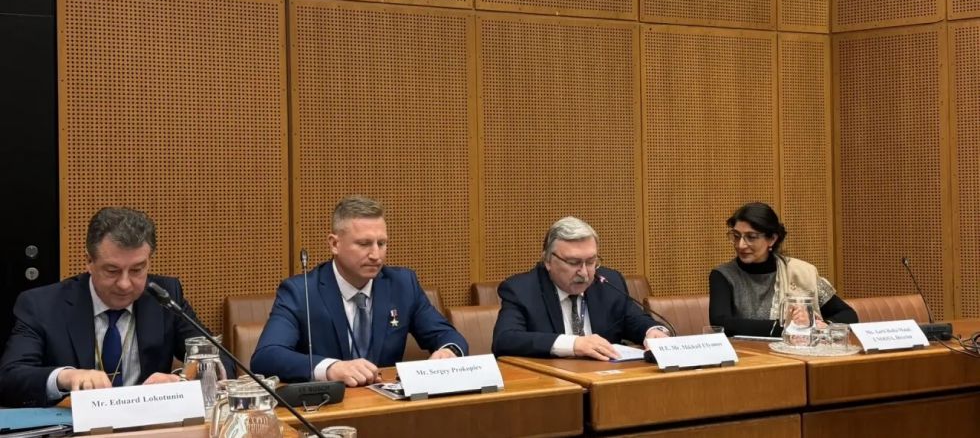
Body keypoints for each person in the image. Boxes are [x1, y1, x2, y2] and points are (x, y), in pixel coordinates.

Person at [0, 207, 233, 408]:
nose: (124, 284)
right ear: (89, 261)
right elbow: (9, 378)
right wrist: (66, 376)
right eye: (112, 271)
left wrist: (181, 381)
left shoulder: (164, 296)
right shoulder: (42, 305)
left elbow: (222, 361)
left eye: (137, 270)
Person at [251, 196, 467, 387]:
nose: (376, 255)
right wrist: (331, 368)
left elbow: (447, 335)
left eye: (382, 243)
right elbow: (266, 356)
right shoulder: (301, 292)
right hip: (330, 407)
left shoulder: (402, 284)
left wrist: (448, 352)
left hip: (387, 406)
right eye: (364, 244)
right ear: (334, 244)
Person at [492, 216, 669, 360]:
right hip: (554, 384)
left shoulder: (608, 283)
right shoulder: (521, 290)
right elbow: (505, 340)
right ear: (548, 260)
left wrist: (653, 332)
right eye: (573, 262)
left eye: (591, 262)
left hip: (604, 382)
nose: (584, 273)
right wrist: (573, 344)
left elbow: (637, 321)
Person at [709, 202, 858, 337]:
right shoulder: (723, 275)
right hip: (748, 354)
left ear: (772, 239)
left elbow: (848, 314)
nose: (740, 245)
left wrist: (821, 325)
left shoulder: (800, 272)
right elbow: (722, 323)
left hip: (798, 352)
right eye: (736, 236)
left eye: (751, 237)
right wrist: (788, 327)